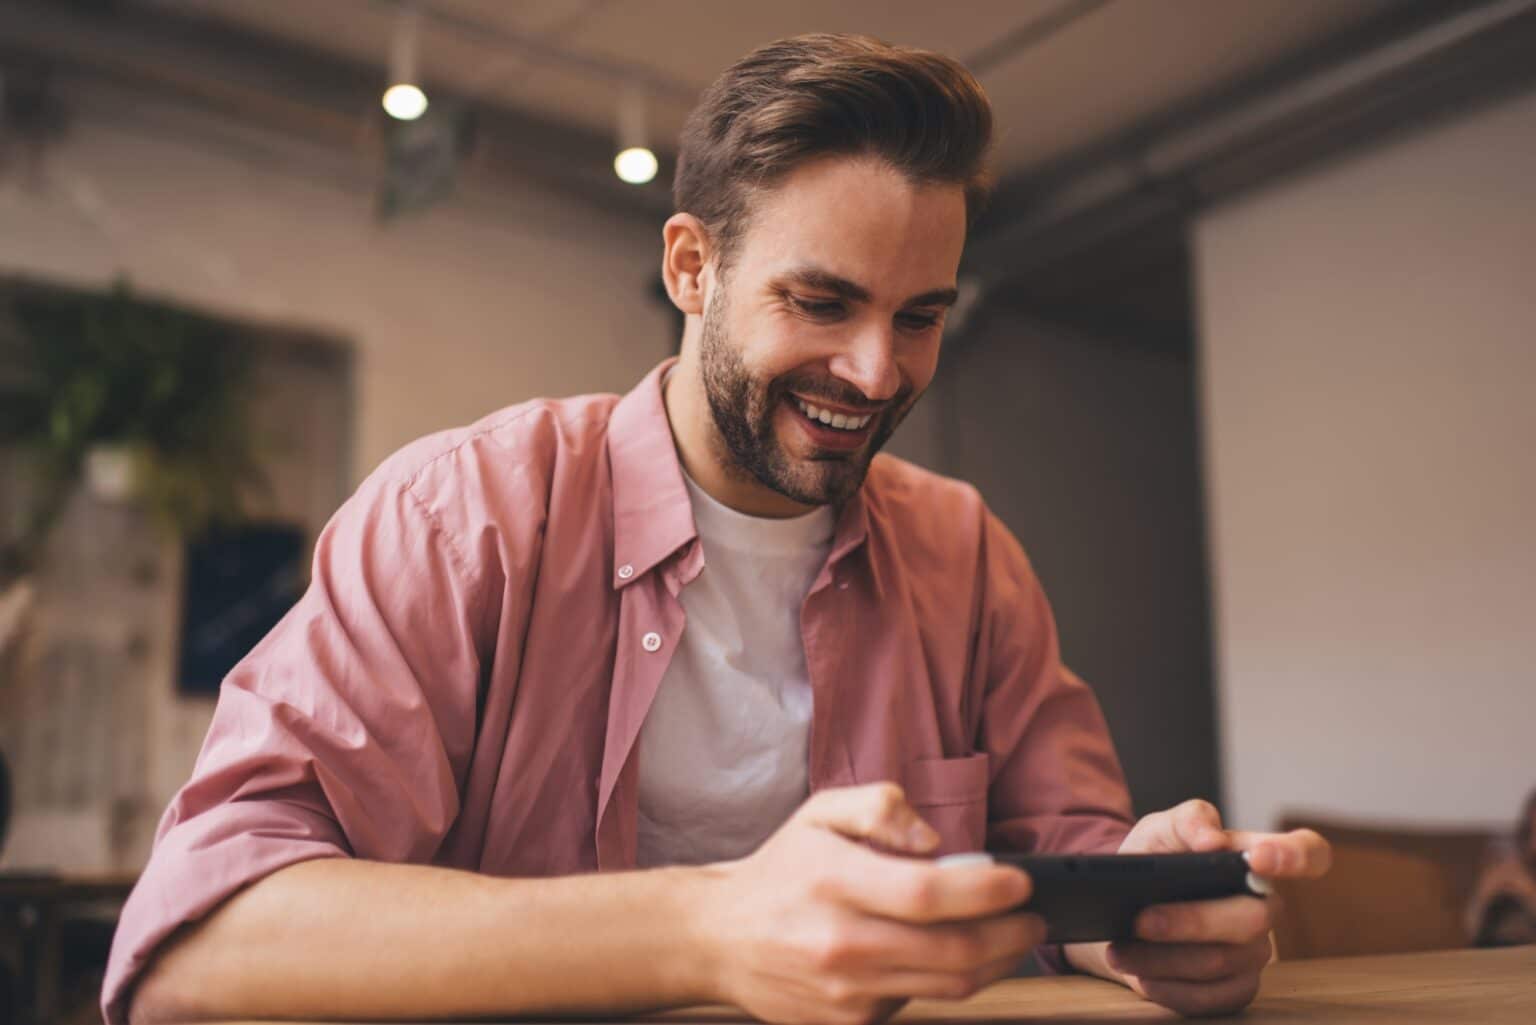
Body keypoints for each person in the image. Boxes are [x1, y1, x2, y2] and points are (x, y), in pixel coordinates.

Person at [106, 33, 1330, 1025]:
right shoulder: (460, 515)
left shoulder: (965, 553)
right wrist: (712, 925)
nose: (875, 369)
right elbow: (199, 946)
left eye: (921, 316)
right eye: (822, 300)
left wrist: (1151, 917)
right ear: (691, 267)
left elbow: (1063, 852)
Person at [1465, 788, 1536, 947]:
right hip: (1492, 954)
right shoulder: (1516, 866)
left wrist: (1529, 893)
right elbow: (1472, 929)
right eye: (1533, 830)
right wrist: (1485, 892)